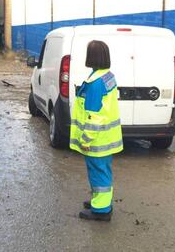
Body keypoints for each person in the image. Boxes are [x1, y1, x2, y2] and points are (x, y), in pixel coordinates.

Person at [70, 40, 123, 222]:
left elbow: (95, 116)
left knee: (98, 172)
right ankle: (101, 201)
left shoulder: (95, 84)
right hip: (107, 138)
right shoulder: (107, 76)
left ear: (91, 57)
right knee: (102, 171)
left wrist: (86, 138)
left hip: (97, 139)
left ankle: (101, 210)